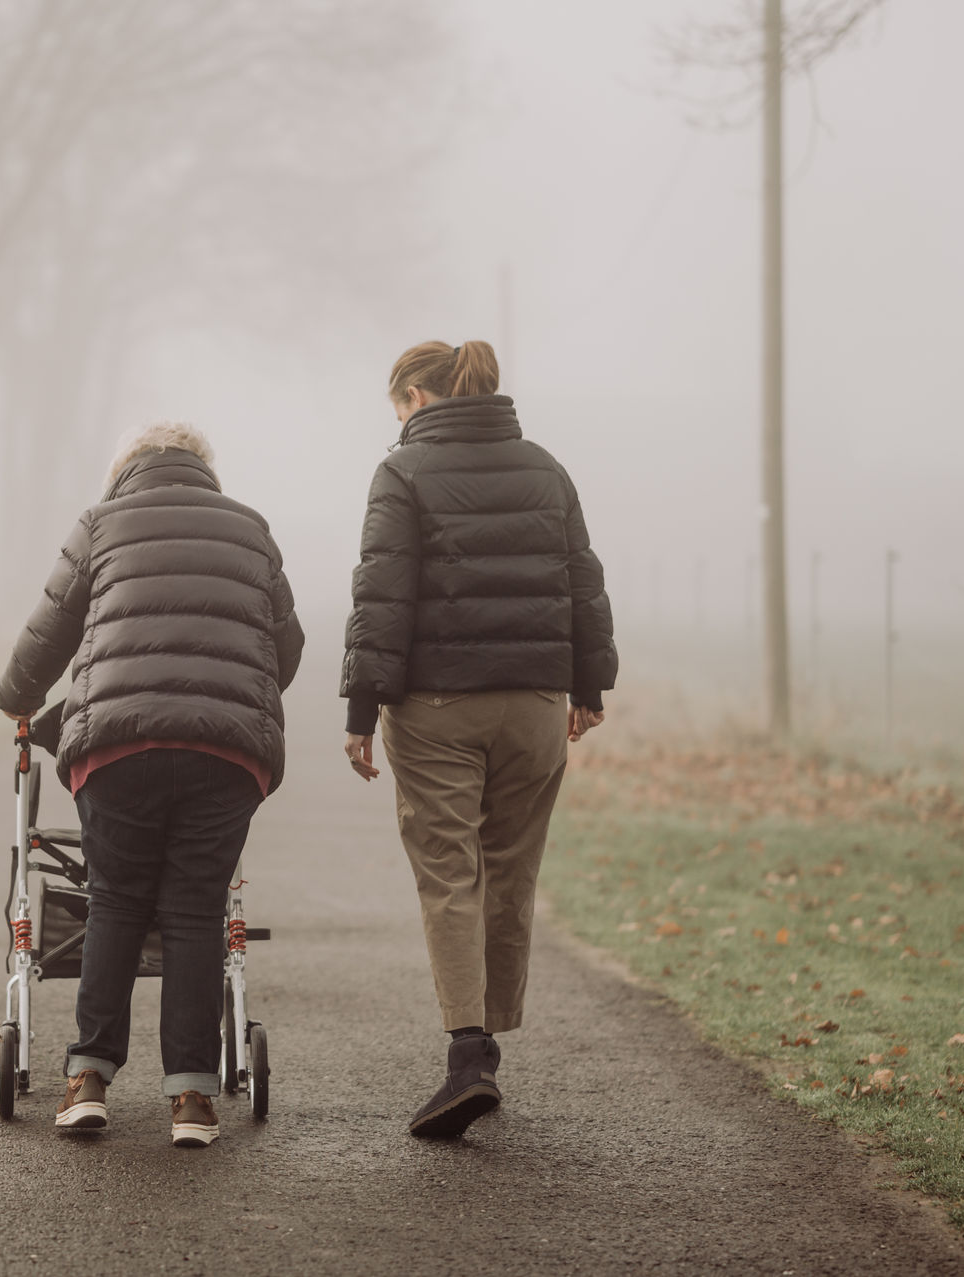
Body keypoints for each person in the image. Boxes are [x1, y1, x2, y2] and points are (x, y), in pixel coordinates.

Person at [0, 422, 303, 1148]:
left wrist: (17, 697)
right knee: (196, 910)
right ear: (203, 470)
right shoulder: (251, 529)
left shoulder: (101, 523)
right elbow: (284, 646)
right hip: (226, 752)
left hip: (118, 747)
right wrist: (234, 695)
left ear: (124, 473)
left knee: (117, 900)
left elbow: (51, 629)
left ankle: (87, 1080)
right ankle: (193, 1098)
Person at [340, 340, 616, 1138]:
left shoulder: (402, 473)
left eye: (397, 408)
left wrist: (361, 711)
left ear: (418, 398)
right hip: (535, 701)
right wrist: (589, 687)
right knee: (510, 869)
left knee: (448, 869)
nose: (395, 425)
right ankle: (489, 1039)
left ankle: (469, 1053)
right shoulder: (545, 467)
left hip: (436, 705)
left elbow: (381, 594)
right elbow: (583, 579)